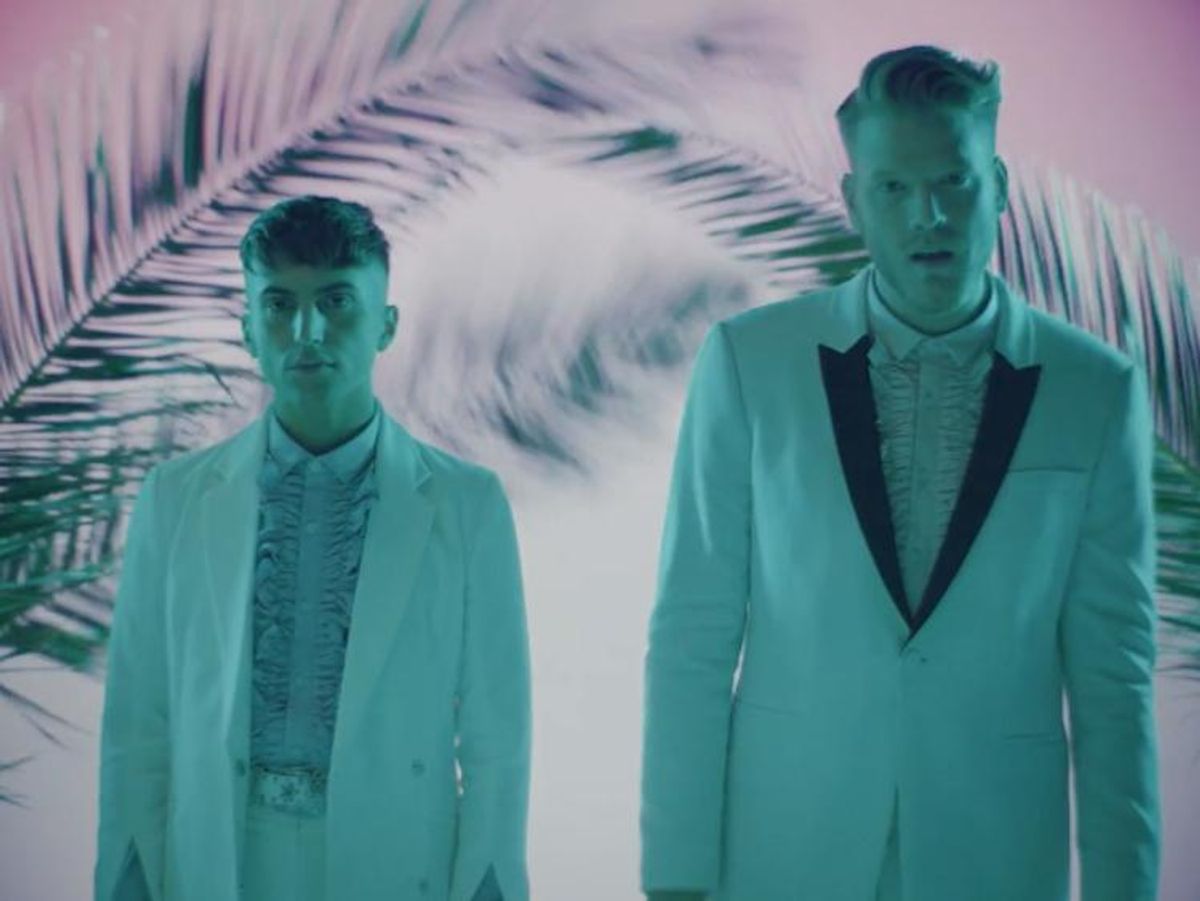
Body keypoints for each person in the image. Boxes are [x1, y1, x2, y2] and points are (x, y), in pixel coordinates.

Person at [640, 45, 1159, 901]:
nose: (930, 214)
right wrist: (676, 880)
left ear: (999, 185)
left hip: (994, 862)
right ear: (853, 201)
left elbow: (1115, 679)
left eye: (955, 181)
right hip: (784, 855)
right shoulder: (748, 362)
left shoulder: (1096, 391)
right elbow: (692, 636)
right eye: (894, 188)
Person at [94, 195, 531, 901]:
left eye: (336, 301)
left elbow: (496, 738)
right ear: (247, 329)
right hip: (220, 860)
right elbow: (138, 727)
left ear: (386, 324)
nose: (307, 331)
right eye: (279, 305)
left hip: (394, 859)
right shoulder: (174, 499)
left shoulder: (467, 505)